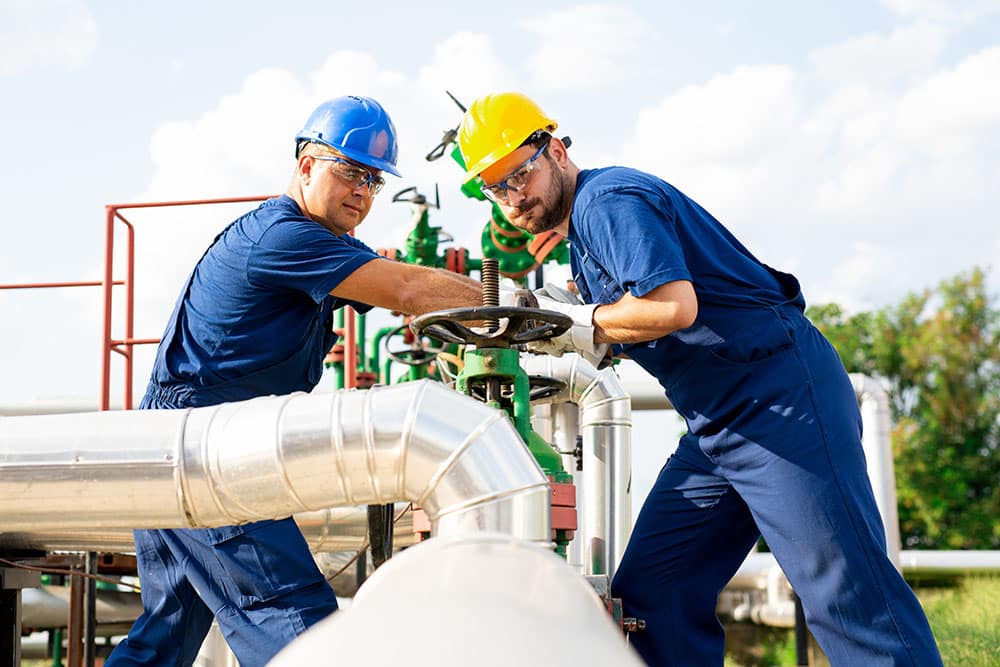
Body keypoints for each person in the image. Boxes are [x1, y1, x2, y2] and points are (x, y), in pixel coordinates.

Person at [456, 92, 943, 666]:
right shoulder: (584, 241)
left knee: (847, 595)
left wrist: (578, 322)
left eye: (520, 173)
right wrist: (562, 322)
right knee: (654, 594)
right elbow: (628, 326)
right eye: (497, 187)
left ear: (557, 150)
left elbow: (672, 307)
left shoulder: (605, 201)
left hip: (779, 402)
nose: (514, 196)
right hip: (715, 425)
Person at [107, 95, 483, 667]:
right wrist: (512, 303)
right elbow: (405, 290)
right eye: (350, 171)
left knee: (165, 639)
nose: (363, 190)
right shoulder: (285, 238)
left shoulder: (319, 243)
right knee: (295, 622)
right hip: (207, 444)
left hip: (167, 442)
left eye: (374, 180)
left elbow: (395, 284)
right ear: (306, 164)